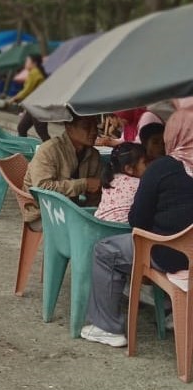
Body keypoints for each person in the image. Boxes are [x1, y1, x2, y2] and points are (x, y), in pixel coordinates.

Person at [80, 110, 193, 348]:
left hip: (170, 255)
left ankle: (106, 327)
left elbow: (137, 221)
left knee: (105, 251)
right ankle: (167, 306)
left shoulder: (162, 168)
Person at [21, 113, 102, 229]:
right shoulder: (49, 150)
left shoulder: (93, 155)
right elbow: (41, 187)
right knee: (82, 229)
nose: (94, 131)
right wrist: (84, 184)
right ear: (69, 127)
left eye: (96, 126)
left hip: (74, 209)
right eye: (86, 126)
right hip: (42, 212)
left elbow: (96, 191)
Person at [94, 143, 147, 222]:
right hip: (122, 230)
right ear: (129, 169)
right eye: (145, 162)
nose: (150, 165)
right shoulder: (139, 184)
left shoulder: (111, 179)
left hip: (100, 226)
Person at [13, 54, 50, 141]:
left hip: (38, 106)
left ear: (34, 63)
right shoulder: (36, 72)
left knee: (42, 131)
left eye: (27, 61)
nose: (25, 63)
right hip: (33, 106)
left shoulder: (34, 72)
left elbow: (27, 90)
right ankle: (24, 148)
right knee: (22, 128)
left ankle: (52, 150)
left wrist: (15, 98)